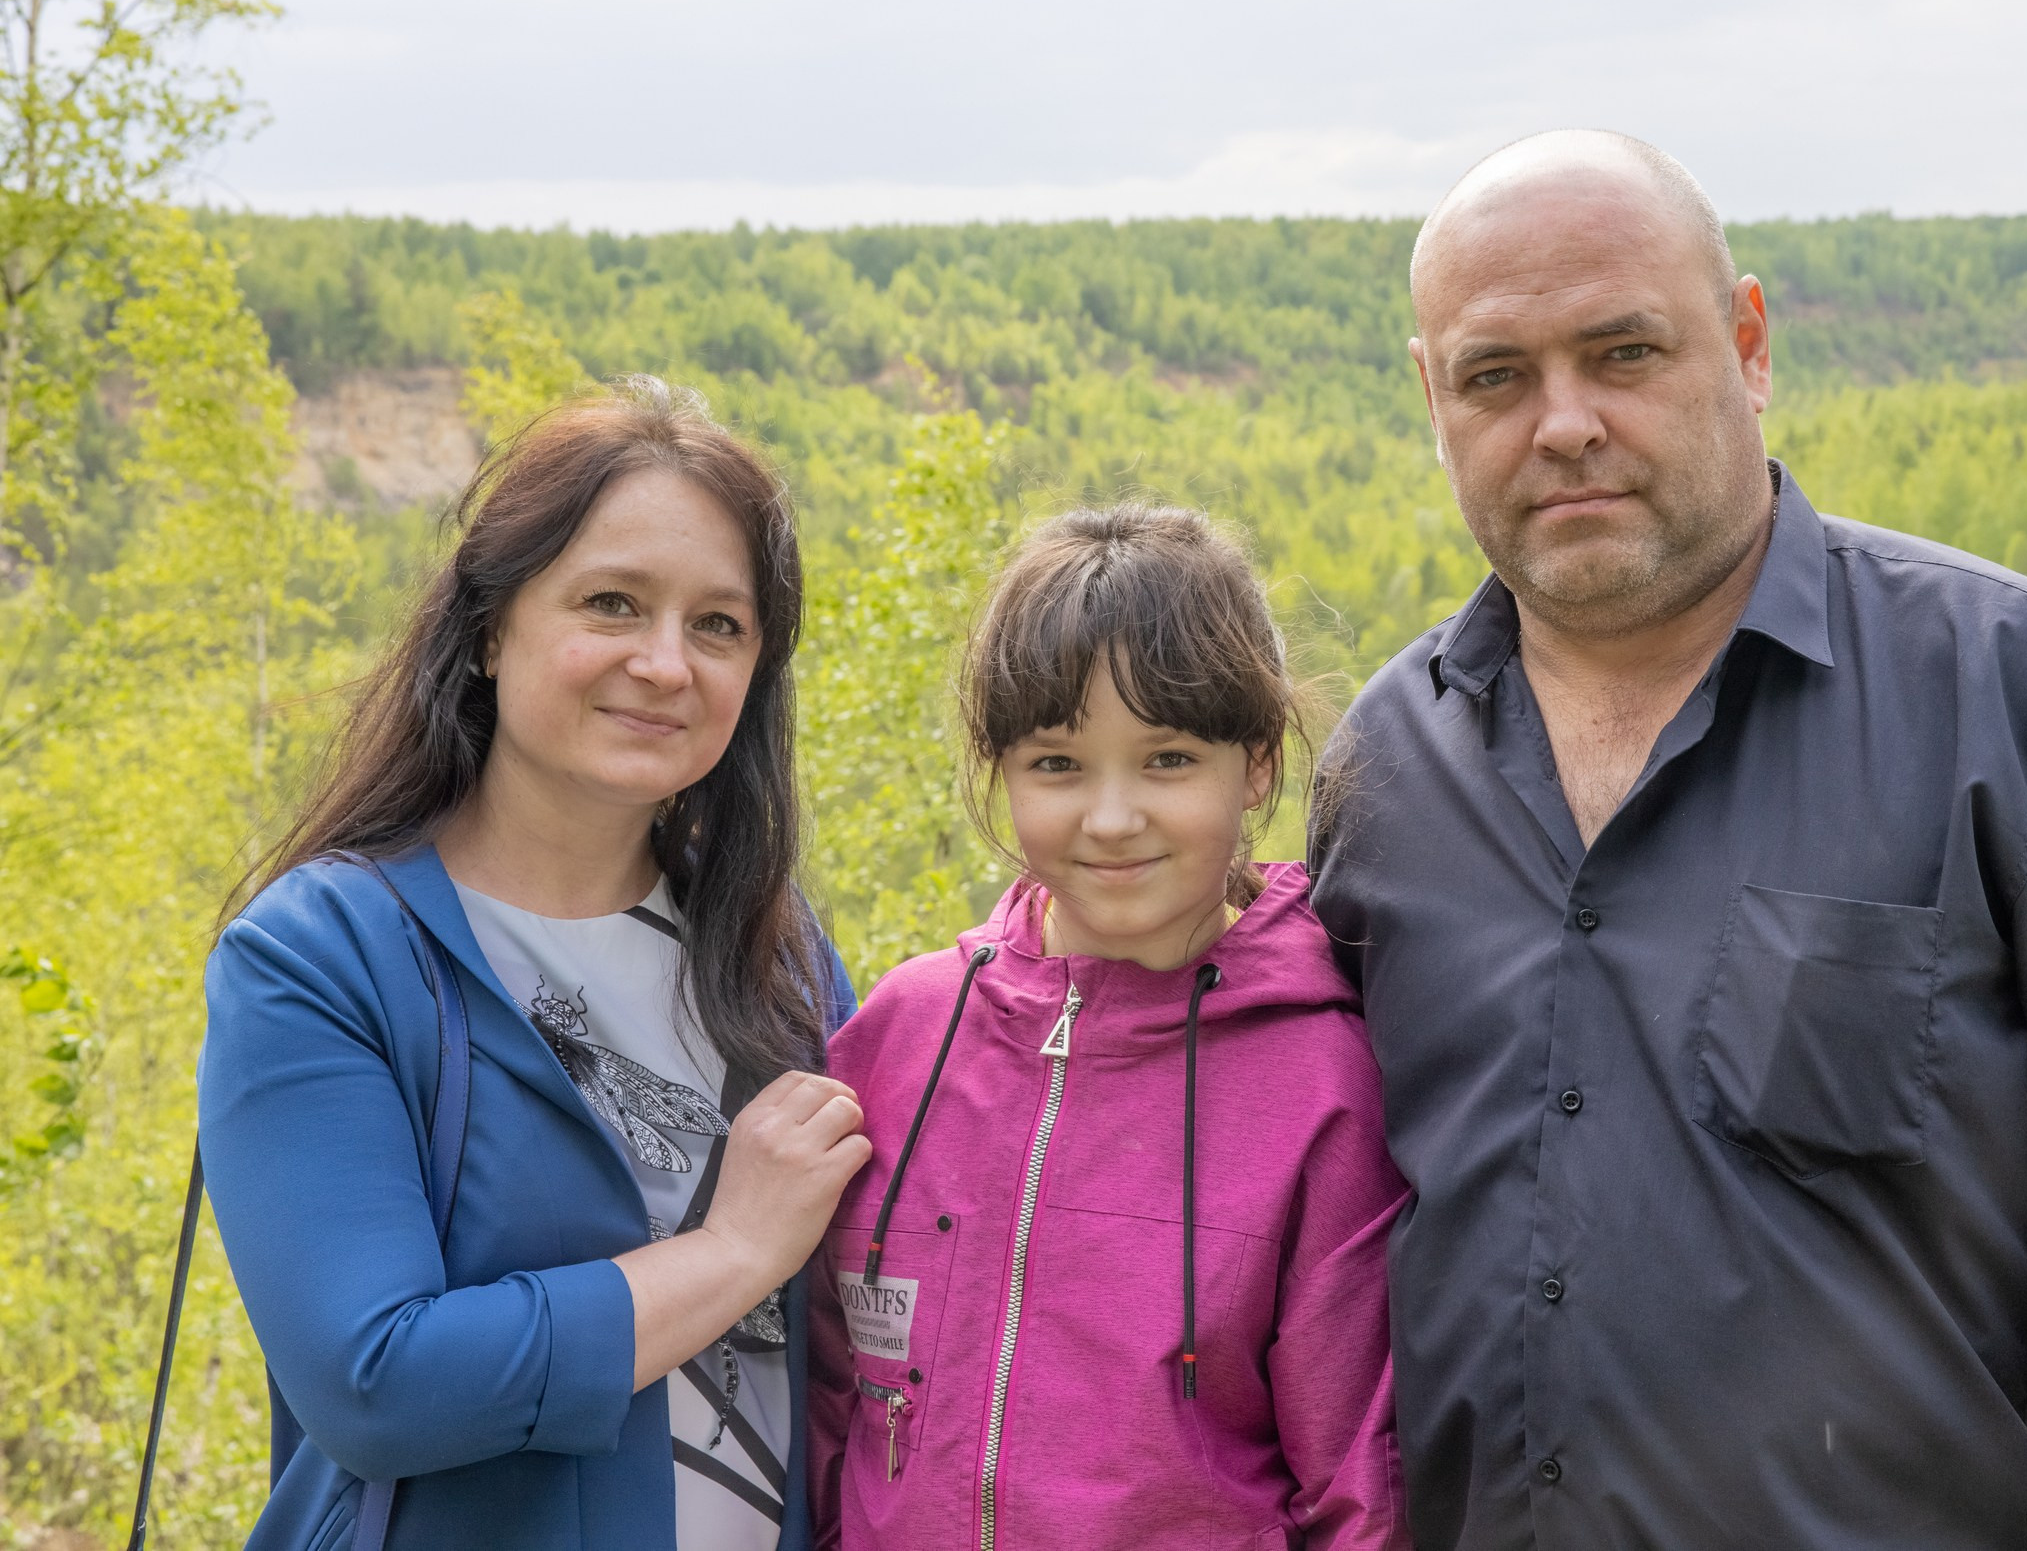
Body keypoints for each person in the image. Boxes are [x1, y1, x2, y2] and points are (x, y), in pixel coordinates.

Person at [1306, 131, 2027, 1550]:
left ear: (1747, 341)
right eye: (1496, 376)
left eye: (1624, 353)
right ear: (1431, 396)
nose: (1564, 423)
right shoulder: (1383, 767)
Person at [201, 379, 871, 1551]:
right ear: (489, 628)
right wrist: (732, 1250)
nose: (666, 663)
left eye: (719, 624)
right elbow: (377, 1383)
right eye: (612, 603)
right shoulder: (321, 959)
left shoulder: (778, 951)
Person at [811, 505, 1409, 1550]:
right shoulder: (903, 1036)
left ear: (1257, 764)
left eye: (1169, 758)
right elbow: (823, 1409)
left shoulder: (1321, 1076)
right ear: (999, 767)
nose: (1112, 816)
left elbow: (1357, 1488)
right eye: (1057, 764)